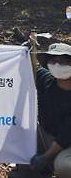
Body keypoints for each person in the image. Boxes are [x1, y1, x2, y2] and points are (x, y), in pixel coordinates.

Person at [29, 43, 71, 177]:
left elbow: (65, 136)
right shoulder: (46, 79)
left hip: (67, 144)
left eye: (63, 61)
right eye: (53, 60)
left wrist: (45, 157)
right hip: (46, 135)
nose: (57, 65)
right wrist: (27, 52)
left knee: (64, 166)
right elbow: (32, 68)